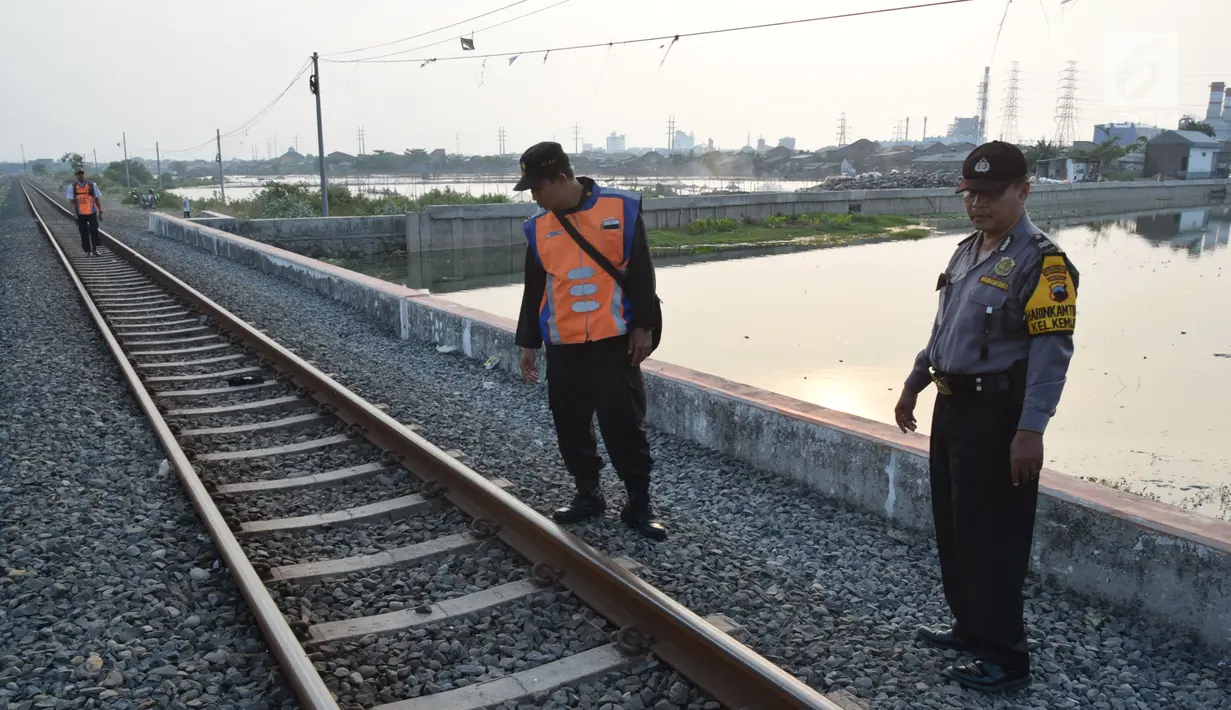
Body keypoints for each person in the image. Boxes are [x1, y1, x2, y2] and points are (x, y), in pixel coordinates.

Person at [894, 141, 1079, 692]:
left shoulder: (1044, 263)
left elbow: (1052, 353)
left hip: (999, 415)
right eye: (970, 194)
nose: (977, 204)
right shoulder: (966, 251)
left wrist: (1030, 431)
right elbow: (944, 329)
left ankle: (1006, 658)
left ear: (1023, 190)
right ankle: (969, 628)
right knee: (955, 527)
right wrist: (914, 383)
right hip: (952, 407)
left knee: (994, 537)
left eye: (990, 194)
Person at [513, 141, 666, 541]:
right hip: (564, 346)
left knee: (624, 426)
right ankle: (588, 494)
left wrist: (643, 327)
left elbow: (642, 274)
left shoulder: (621, 209)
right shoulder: (538, 226)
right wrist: (528, 342)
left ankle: (638, 504)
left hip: (614, 342)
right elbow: (535, 288)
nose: (534, 197)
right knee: (571, 425)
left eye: (537, 188)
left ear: (562, 179)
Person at [65, 169, 103, 255]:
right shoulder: (72, 186)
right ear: (76, 176)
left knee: (94, 231)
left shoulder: (92, 185)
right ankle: (88, 251)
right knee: (83, 232)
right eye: (79, 174)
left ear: (85, 174)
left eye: (82, 174)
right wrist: (73, 212)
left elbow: (97, 199)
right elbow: (71, 201)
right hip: (80, 213)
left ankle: (95, 249)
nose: (81, 176)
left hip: (92, 211)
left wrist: (100, 210)